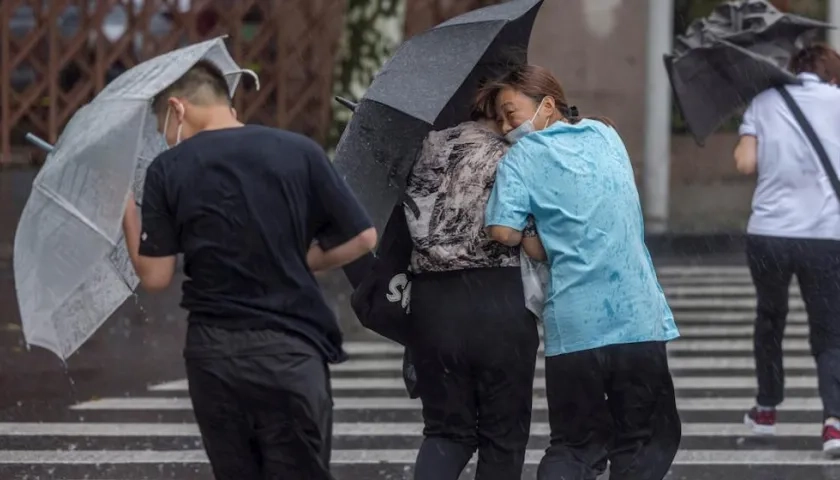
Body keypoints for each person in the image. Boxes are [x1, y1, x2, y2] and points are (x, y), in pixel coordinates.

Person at [121, 60, 377, 479]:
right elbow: (364, 237)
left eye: (160, 125)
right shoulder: (300, 151)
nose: (163, 136)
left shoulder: (168, 169)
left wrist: (128, 215)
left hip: (215, 355)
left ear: (177, 107)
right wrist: (305, 260)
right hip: (290, 351)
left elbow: (155, 277)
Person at [482, 65, 682, 480]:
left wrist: (533, 241)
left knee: (575, 446)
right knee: (645, 438)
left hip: (573, 328)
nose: (504, 126)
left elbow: (501, 230)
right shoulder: (607, 136)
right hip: (636, 318)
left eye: (510, 113)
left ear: (548, 105)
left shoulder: (520, 157)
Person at [404, 100, 542, 480]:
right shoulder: (516, 155)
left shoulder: (426, 145)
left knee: (446, 433)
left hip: (432, 302)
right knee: (503, 437)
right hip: (498, 298)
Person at [733, 43, 840, 455]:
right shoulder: (836, 100)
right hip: (826, 235)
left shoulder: (763, 100)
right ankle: (833, 422)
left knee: (770, 319)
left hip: (769, 234)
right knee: (829, 329)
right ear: (830, 73)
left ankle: (766, 409)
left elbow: (745, 163)